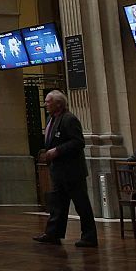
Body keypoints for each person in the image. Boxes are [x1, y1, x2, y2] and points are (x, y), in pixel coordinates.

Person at [35, 90, 97, 247]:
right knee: (58, 204)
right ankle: (53, 234)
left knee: (81, 205)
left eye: (48, 101)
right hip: (58, 170)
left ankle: (89, 237)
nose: (45, 104)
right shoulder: (52, 119)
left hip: (72, 171)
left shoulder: (69, 119)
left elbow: (78, 142)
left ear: (58, 103)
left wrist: (57, 151)